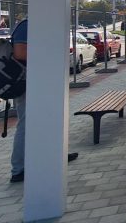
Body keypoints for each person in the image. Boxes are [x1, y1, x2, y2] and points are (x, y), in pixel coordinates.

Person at [9, 18, 78, 183]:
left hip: (45, 80)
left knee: (52, 118)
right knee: (26, 125)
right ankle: (19, 169)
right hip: (27, 82)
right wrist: (49, 53)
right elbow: (20, 52)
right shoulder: (27, 25)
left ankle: (56, 155)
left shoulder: (44, 25)